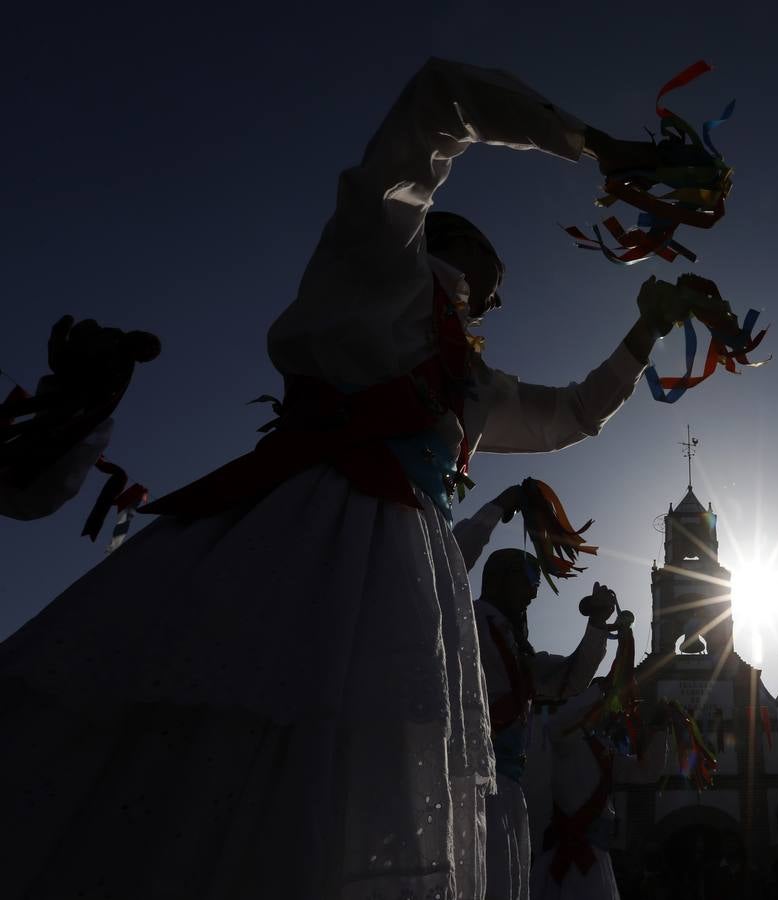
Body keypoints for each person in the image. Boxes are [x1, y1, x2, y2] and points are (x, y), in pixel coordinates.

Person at [0, 59, 722, 900]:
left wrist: (641, 337)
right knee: (235, 737)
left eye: (486, 304)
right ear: (441, 246)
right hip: (306, 532)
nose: (488, 302)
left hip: (394, 574)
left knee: (322, 770)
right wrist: (595, 145)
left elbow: (569, 416)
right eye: (481, 283)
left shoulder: (472, 384)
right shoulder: (375, 265)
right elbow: (439, 98)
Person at [473, 546, 621, 900]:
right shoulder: (470, 621)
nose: (534, 593)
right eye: (529, 580)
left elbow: (569, 680)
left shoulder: (517, 648)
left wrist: (597, 624)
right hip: (471, 779)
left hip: (506, 786)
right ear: (499, 579)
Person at [529, 656, 670, 900]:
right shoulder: (564, 738)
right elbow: (559, 723)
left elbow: (646, 772)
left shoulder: (603, 749)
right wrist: (599, 689)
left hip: (596, 858)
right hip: (564, 857)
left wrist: (659, 729)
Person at [1, 315, 159, 522]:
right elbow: (66, 361)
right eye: (143, 343)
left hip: (75, 414)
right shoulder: (108, 340)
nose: (139, 350)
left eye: (145, 353)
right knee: (35, 437)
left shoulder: (122, 369)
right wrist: (64, 336)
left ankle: (17, 474)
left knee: (40, 445)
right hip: (64, 401)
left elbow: (102, 398)